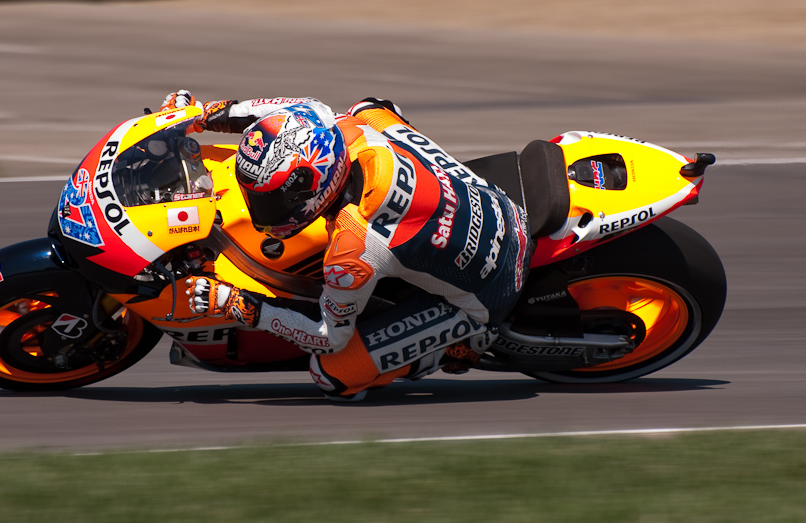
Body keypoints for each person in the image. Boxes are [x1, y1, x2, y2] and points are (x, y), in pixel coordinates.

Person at [163, 90, 532, 401]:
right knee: (372, 109)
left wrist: (243, 308)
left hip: (493, 286)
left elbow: (328, 337)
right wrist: (200, 116)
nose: (259, 209)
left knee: (332, 375)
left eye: (272, 200)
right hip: (496, 203)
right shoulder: (342, 127)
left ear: (315, 187)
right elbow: (281, 112)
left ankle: (463, 343)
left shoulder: (352, 248)